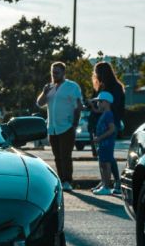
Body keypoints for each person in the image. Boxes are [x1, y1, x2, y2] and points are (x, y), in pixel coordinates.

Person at [36, 61, 83, 192]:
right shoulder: (49, 88)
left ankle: (68, 181)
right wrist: (44, 92)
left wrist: (74, 123)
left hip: (66, 126)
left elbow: (78, 106)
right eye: (53, 72)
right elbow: (39, 103)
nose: (54, 74)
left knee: (66, 155)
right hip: (52, 127)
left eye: (57, 72)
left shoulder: (72, 86)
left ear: (63, 72)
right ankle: (61, 180)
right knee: (57, 156)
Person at [90, 61, 125, 194]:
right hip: (100, 124)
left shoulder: (114, 87)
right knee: (102, 156)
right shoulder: (102, 87)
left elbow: (115, 108)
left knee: (108, 156)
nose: (95, 75)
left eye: (97, 72)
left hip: (109, 124)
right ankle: (105, 181)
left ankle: (115, 182)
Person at [91, 91, 117, 195]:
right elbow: (96, 110)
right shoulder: (104, 113)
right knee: (102, 164)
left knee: (106, 164)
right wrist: (92, 103)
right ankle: (104, 184)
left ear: (107, 102)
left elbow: (112, 129)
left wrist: (100, 138)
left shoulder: (108, 114)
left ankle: (106, 186)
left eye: (100, 101)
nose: (98, 103)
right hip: (102, 144)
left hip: (106, 144)